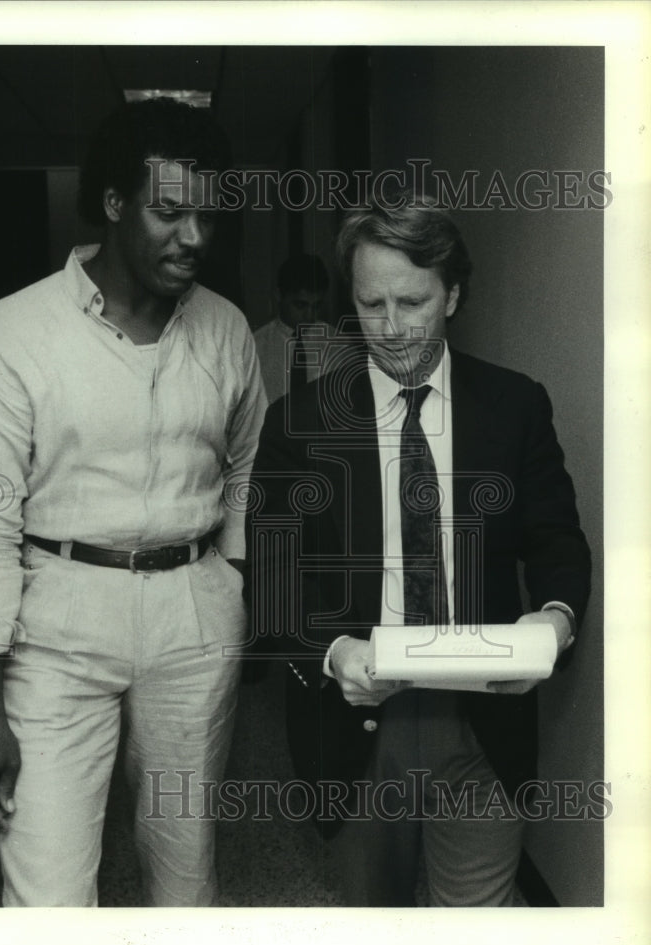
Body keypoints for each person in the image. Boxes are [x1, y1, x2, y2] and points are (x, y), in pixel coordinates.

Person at [0, 97, 267, 907]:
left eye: (207, 216)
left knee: (184, 876)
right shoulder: (15, 332)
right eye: (168, 212)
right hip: (56, 626)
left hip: (193, 617)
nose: (194, 238)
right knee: (48, 896)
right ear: (115, 204)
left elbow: (253, 467)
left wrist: (233, 580)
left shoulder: (225, 330)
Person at [245, 194, 591, 906]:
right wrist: (335, 654)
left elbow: (556, 539)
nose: (394, 329)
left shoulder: (514, 406)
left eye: (414, 302)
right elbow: (275, 580)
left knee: (475, 940)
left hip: (483, 724)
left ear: (454, 294)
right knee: (378, 934)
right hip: (357, 726)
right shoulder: (299, 423)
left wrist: (551, 624)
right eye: (373, 305)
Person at [252, 253, 334, 403]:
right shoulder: (255, 347)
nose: (309, 316)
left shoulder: (337, 344)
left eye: (316, 306)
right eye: (300, 305)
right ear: (278, 295)